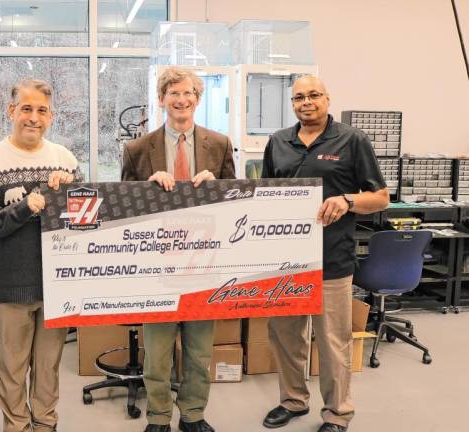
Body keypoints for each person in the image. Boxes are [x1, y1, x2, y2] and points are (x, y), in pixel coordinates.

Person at [260, 76, 389, 432]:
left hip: (332, 259)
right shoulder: (278, 142)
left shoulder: (352, 140)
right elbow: (264, 199)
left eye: (314, 95)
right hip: (285, 262)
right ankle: (293, 401)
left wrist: (347, 200)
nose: (306, 102)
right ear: (292, 103)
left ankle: (337, 413)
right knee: (286, 337)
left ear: (327, 99)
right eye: (299, 97)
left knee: (333, 342)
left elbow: (380, 197)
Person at [0, 78, 78, 432]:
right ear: (11, 111)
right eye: (26, 108)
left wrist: (70, 193)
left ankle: (45, 425)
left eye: (41, 110)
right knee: (12, 369)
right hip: (10, 285)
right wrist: (23, 208)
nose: (33, 117)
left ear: (51, 116)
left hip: (56, 286)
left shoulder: (66, 161)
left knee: (48, 367)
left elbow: (84, 219)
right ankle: (17, 428)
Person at [122, 66, 235, 432]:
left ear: (197, 99)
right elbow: (120, 211)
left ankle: (193, 414)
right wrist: (146, 187)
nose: (181, 100)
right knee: (156, 355)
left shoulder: (218, 144)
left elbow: (237, 202)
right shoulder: (138, 149)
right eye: (173, 94)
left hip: (205, 262)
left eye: (188, 94)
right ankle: (158, 417)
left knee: (199, 352)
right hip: (158, 266)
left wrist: (217, 185)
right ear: (162, 99)